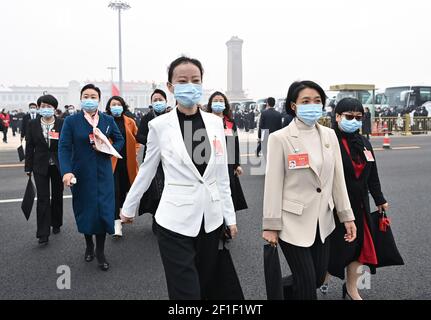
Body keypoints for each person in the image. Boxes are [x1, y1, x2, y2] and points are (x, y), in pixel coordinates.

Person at [120, 57, 237, 300]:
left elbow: (220, 176)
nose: (190, 86)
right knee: (186, 293)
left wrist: (230, 216)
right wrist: (128, 207)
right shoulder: (159, 126)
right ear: (171, 87)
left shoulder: (216, 124)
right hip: (174, 221)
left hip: (210, 220)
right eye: (182, 81)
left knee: (206, 287)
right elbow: (147, 169)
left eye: (195, 80)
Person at [262, 80, 357, 300]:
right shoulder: (280, 138)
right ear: (294, 105)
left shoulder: (329, 135)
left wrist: (346, 217)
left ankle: (284, 291)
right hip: (292, 221)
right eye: (306, 101)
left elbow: (337, 180)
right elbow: (273, 184)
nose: (312, 105)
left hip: (323, 221)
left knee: (315, 278)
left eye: (317, 101)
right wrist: (270, 225)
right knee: (306, 285)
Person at [325, 98, 388, 300]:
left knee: (358, 249)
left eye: (358, 117)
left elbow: (373, 175)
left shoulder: (364, 143)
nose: (354, 120)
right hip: (335, 207)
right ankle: (322, 279)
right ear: (337, 117)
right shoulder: (329, 141)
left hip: (360, 206)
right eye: (349, 116)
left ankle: (352, 289)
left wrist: (380, 200)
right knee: (334, 248)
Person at [59, 84, 124, 271]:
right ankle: (89, 245)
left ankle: (101, 252)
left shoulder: (107, 120)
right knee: (86, 211)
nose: (89, 99)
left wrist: (108, 149)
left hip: (104, 173)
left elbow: (119, 140)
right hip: (81, 174)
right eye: (86, 95)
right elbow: (63, 147)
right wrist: (66, 171)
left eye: (93, 96)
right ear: (80, 98)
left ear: (99, 99)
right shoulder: (72, 121)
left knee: (104, 210)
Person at [25, 94, 64, 245]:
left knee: (57, 195)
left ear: (54, 109)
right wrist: (28, 167)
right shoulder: (32, 124)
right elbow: (29, 146)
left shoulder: (62, 123)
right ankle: (43, 232)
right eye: (43, 106)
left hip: (58, 165)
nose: (45, 109)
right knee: (42, 198)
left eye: (49, 107)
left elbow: (66, 145)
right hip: (39, 165)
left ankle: (56, 223)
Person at [207, 91, 248, 213]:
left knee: (227, 189)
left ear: (225, 104)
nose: (218, 103)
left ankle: (227, 216)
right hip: (209, 161)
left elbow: (234, 143)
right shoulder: (205, 121)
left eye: (221, 101)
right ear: (210, 104)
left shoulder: (230, 123)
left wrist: (237, 164)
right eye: (215, 101)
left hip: (227, 163)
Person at [105, 96, 139, 238]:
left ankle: (122, 211)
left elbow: (136, 139)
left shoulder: (130, 122)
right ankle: (116, 223)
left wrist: (135, 151)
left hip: (127, 161)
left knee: (125, 189)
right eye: (113, 104)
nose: (116, 106)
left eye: (118, 104)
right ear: (109, 107)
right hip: (111, 162)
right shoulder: (104, 121)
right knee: (114, 191)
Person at [136, 89, 169, 220]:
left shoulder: (172, 116)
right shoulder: (147, 118)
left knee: (168, 188)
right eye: (155, 100)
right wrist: (153, 142)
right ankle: (157, 217)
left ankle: (167, 218)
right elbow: (139, 136)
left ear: (166, 101)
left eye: (160, 99)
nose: (158, 102)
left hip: (169, 158)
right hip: (152, 158)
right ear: (151, 103)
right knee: (155, 189)